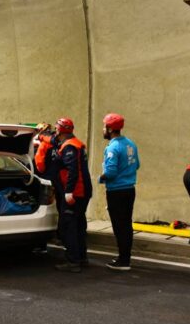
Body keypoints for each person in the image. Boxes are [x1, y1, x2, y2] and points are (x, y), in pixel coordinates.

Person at [99, 113, 140, 271]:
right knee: (126, 224)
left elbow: (110, 172)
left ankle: (123, 261)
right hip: (130, 189)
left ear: (110, 129)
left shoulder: (113, 147)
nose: (103, 129)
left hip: (116, 191)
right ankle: (125, 257)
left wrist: (100, 178)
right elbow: (137, 165)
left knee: (119, 226)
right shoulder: (131, 144)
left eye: (104, 127)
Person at [52, 117, 93, 273]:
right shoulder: (76, 144)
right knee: (80, 225)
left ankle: (73, 261)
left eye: (56, 129)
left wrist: (68, 191)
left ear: (61, 130)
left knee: (69, 226)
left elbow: (72, 171)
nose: (55, 131)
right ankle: (82, 257)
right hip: (83, 192)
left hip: (75, 192)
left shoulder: (69, 147)